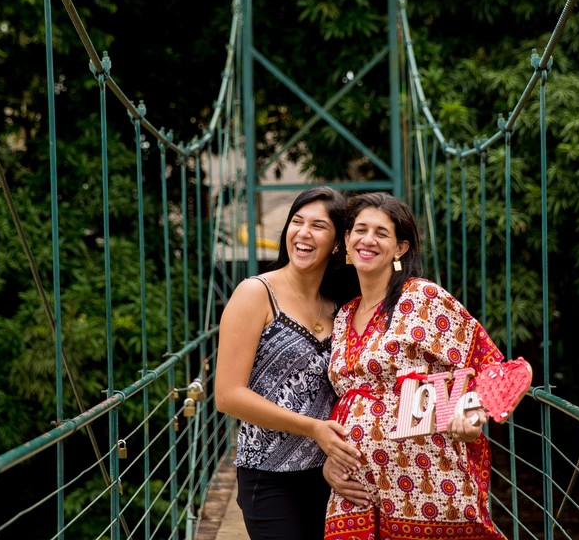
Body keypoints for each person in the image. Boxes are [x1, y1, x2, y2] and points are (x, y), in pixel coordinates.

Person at [321, 191, 508, 540]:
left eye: (381, 233)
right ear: (346, 240)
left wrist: (471, 416)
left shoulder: (422, 297)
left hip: (425, 483)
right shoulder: (344, 315)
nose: (368, 240)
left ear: (400, 248)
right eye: (360, 230)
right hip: (354, 487)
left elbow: (488, 363)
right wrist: (327, 463)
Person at [216, 186, 364, 540]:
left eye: (318, 226)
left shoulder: (342, 307)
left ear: (338, 244)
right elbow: (227, 396)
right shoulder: (256, 293)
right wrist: (313, 428)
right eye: (297, 222)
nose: (303, 232)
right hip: (268, 474)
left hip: (330, 473)